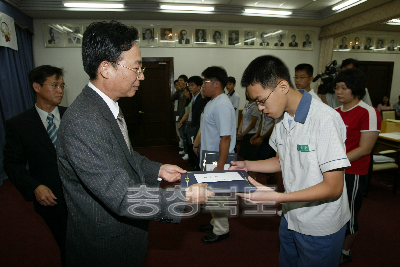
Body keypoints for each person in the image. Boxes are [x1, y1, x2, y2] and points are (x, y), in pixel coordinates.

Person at [56, 21, 212, 267]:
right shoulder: (84, 121)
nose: (142, 75)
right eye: (137, 68)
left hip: (124, 236)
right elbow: (120, 197)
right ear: (106, 68)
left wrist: (158, 170)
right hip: (105, 248)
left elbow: (125, 157)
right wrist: (184, 198)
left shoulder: (108, 106)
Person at [231, 55, 351, 267]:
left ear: (283, 86)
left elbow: (333, 187)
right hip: (291, 215)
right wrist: (248, 165)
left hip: (319, 224)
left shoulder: (324, 119)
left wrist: (277, 197)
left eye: (261, 100)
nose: (260, 108)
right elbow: (282, 161)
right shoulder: (283, 118)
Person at [3, 65, 68, 265]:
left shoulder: (74, 116)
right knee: (68, 245)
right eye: (54, 85)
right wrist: (34, 187)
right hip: (52, 199)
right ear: (36, 87)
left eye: (62, 85)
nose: (60, 90)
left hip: (84, 195)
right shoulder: (19, 124)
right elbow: (12, 164)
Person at [334, 68, 381, 265]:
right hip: (334, 171)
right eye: (337, 88)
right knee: (332, 212)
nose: (339, 92)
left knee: (350, 214)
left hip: (354, 172)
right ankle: (334, 245)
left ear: (356, 89)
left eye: (344, 88)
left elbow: (365, 148)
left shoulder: (369, 112)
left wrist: (336, 161)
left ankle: (345, 250)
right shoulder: (334, 113)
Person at [197, 66, 236, 244]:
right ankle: (215, 223)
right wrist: (196, 144)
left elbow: (226, 138)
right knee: (211, 193)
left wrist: (220, 167)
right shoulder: (213, 101)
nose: (202, 86)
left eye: (205, 82)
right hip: (209, 155)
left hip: (218, 158)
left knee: (219, 195)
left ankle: (222, 230)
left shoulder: (222, 104)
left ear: (216, 83)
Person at [181, 76, 207, 171]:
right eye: (189, 85)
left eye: (192, 85)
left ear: (199, 86)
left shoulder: (202, 97)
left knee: (198, 148)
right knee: (193, 146)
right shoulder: (194, 97)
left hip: (199, 126)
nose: (190, 87)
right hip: (194, 126)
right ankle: (195, 164)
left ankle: (198, 166)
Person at [237, 91, 261, 177]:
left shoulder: (255, 105)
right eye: (247, 91)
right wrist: (239, 131)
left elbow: (253, 123)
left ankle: (253, 179)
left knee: (251, 159)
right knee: (245, 158)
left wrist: (243, 134)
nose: (248, 93)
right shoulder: (247, 104)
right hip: (244, 134)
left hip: (251, 134)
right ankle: (247, 177)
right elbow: (243, 119)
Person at [171, 75, 188, 151]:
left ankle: (184, 148)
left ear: (185, 82)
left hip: (185, 114)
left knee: (184, 132)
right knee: (179, 132)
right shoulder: (179, 91)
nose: (179, 82)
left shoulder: (187, 91)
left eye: (181, 80)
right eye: (178, 80)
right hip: (178, 113)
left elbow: (186, 105)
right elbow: (172, 98)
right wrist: (178, 89)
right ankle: (181, 147)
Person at [177, 87, 192, 160]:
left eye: (186, 92)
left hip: (189, 122)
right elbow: (185, 113)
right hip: (185, 121)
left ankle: (187, 153)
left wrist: (180, 122)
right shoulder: (187, 101)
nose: (185, 94)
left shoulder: (192, 101)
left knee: (187, 139)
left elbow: (187, 115)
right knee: (184, 137)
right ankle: (185, 151)